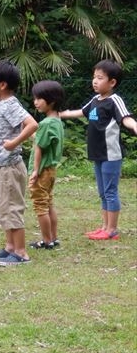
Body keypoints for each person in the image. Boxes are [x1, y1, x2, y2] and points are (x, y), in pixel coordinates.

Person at [60, 60, 137, 240]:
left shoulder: (114, 100)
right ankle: (104, 227)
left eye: (100, 78)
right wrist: (61, 114)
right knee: (102, 192)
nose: (95, 81)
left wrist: (134, 126)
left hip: (111, 155)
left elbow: (126, 118)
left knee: (110, 191)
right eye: (94, 77)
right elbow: (80, 112)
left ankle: (112, 230)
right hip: (97, 154)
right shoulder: (95, 100)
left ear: (112, 82)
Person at [0, 60, 38, 267]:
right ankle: (9, 248)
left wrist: (14, 142)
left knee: (12, 208)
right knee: (3, 208)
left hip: (10, 166)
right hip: (0, 166)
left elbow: (32, 124)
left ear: (2, 84)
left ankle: (21, 252)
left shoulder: (10, 104)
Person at [27, 80, 65, 250]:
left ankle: (47, 240)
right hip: (51, 170)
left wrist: (35, 171)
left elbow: (39, 149)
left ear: (52, 100)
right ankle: (53, 238)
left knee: (40, 206)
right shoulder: (57, 122)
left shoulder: (45, 123)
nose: (35, 102)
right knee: (49, 203)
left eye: (39, 98)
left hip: (42, 171)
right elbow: (44, 141)